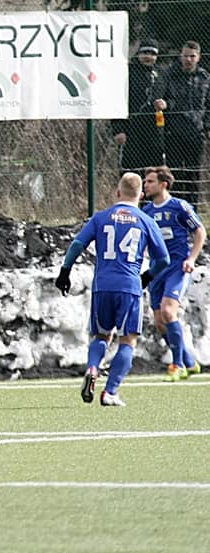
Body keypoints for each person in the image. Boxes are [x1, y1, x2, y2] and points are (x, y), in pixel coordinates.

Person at [55, 173, 170, 407]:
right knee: (128, 341)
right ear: (141, 195)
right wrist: (146, 277)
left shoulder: (101, 217)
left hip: (102, 286)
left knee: (101, 336)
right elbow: (164, 260)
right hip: (129, 287)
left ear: (117, 193)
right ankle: (110, 392)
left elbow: (77, 244)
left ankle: (92, 368)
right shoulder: (146, 220)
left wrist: (65, 271)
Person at [141, 166, 205, 382]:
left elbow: (199, 231)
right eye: (145, 181)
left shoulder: (179, 207)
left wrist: (191, 259)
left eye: (150, 181)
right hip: (157, 270)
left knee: (169, 312)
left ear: (163, 184)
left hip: (177, 267)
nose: (146, 185)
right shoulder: (146, 212)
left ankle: (177, 365)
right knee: (160, 322)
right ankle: (189, 362)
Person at [154, 41, 210, 209]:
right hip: (174, 132)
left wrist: (207, 127)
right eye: (185, 56)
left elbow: (208, 105)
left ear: (198, 57)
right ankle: (175, 209)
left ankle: (192, 210)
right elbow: (159, 97)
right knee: (175, 173)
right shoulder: (169, 75)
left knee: (194, 174)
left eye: (192, 56)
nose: (188, 59)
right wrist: (164, 104)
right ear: (180, 56)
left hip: (196, 132)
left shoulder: (204, 78)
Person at [112, 39, 164, 174]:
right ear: (139, 54)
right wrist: (118, 129)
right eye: (145, 53)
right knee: (131, 170)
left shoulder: (161, 74)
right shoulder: (127, 73)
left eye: (152, 54)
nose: (148, 57)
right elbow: (117, 102)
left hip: (155, 131)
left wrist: (165, 104)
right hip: (131, 129)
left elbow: (171, 98)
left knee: (154, 171)